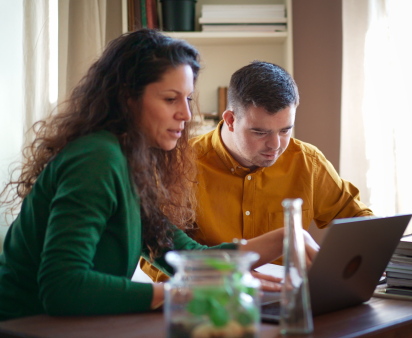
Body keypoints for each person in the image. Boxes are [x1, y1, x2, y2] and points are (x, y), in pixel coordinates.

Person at [0, 29, 318, 321]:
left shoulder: (127, 162)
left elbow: (185, 254)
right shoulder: (97, 158)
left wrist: (287, 236)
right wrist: (180, 294)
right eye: (170, 99)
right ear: (127, 97)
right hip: (26, 325)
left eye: (188, 98)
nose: (186, 114)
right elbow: (63, 288)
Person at [140, 61, 373, 282]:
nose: (276, 145)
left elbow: (361, 222)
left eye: (285, 130)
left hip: (289, 300)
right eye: (260, 132)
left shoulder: (307, 162)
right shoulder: (176, 166)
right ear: (230, 120)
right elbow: (157, 258)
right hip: (212, 302)